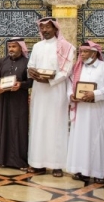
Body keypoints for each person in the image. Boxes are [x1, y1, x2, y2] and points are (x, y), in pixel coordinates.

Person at [27, 17, 75, 177]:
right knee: (38, 124)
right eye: (42, 28)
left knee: (56, 126)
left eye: (48, 27)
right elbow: (30, 65)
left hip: (56, 91)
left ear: (55, 28)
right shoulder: (37, 46)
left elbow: (67, 70)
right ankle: (37, 163)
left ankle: (57, 165)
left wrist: (51, 80)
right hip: (39, 90)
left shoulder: (67, 47)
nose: (45, 30)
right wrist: (32, 73)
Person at [66, 41, 104, 183]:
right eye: (81, 52)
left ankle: (98, 173)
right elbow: (70, 85)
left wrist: (95, 94)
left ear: (94, 53)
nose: (82, 54)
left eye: (85, 52)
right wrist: (71, 95)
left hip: (96, 111)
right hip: (81, 110)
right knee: (80, 140)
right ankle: (81, 171)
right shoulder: (77, 68)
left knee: (96, 140)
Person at [0, 37, 33, 169]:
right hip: (5, 99)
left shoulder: (27, 62)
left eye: (14, 46)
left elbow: (31, 81)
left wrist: (20, 84)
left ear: (21, 48)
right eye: (9, 46)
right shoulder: (2, 61)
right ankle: (2, 160)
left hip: (19, 100)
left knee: (19, 128)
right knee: (4, 127)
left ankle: (20, 161)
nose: (11, 49)